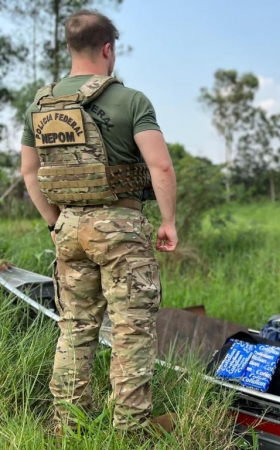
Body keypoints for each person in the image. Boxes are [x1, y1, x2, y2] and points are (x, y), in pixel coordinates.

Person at [20, 10, 178, 434]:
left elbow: (29, 173)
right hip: (121, 228)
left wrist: (55, 221)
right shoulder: (131, 100)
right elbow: (160, 167)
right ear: (108, 49)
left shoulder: (41, 103)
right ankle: (130, 426)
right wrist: (168, 221)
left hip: (69, 228)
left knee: (75, 326)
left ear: (70, 48)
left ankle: (66, 423)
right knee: (131, 328)